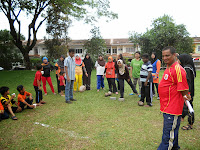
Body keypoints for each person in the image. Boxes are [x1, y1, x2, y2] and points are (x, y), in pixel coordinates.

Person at [158, 46, 191, 150]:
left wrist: (187, 95)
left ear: (174, 55)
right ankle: (175, 147)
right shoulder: (169, 66)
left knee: (167, 137)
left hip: (172, 109)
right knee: (172, 131)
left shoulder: (178, 69)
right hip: (166, 106)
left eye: (167, 55)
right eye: (163, 56)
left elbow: (184, 88)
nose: (165, 58)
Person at [177, 54, 196, 130]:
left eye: (179, 59)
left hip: (188, 91)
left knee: (189, 107)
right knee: (186, 105)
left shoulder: (187, 68)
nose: (178, 61)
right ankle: (182, 117)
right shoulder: (189, 67)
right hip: (189, 90)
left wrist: (187, 93)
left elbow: (187, 82)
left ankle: (190, 124)